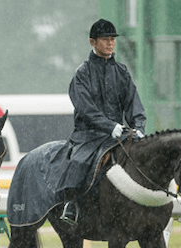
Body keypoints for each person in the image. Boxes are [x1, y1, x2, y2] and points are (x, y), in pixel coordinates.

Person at [51, 19, 147, 226]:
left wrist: (139, 128)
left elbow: (134, 104)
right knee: (79, 160)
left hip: (118, 134)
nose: (110, 43)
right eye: (106, 39)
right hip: (88, 135)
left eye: (112, 39)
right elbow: (85, 109)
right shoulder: (82, 74)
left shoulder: (122, 72)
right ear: (92, 42)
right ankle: (71, 205)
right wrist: (109, 126)